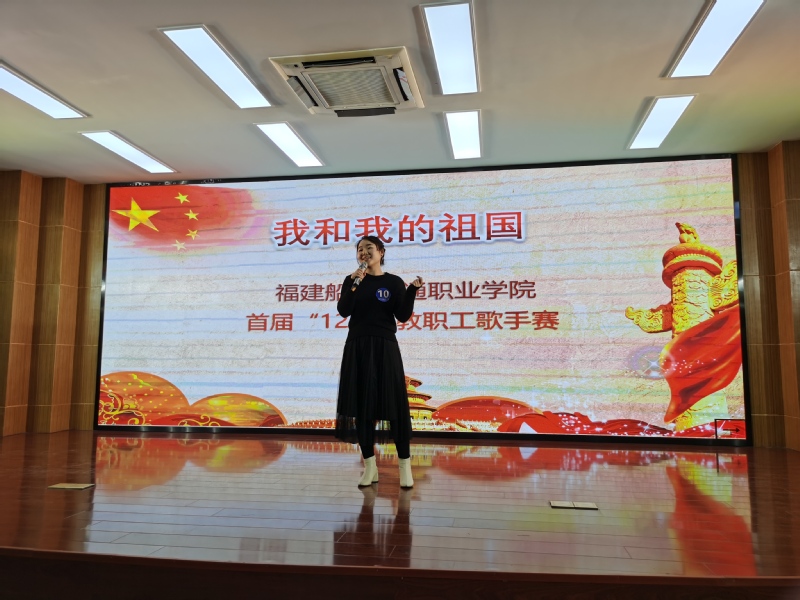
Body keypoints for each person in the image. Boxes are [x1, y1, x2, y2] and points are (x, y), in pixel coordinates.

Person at [335, 235, 423, 488]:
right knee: (362, 409)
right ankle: (370, 467)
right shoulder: (351, 280)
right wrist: (355, 283)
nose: (363, 252)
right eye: (359, 249)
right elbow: (343, 310)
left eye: (369, 248)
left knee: (393, 407)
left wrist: (412, 291)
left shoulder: (393, 282)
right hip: (357, 347)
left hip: (385, 347)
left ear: (381, 252)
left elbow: (403, 315)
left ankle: (404, 467)